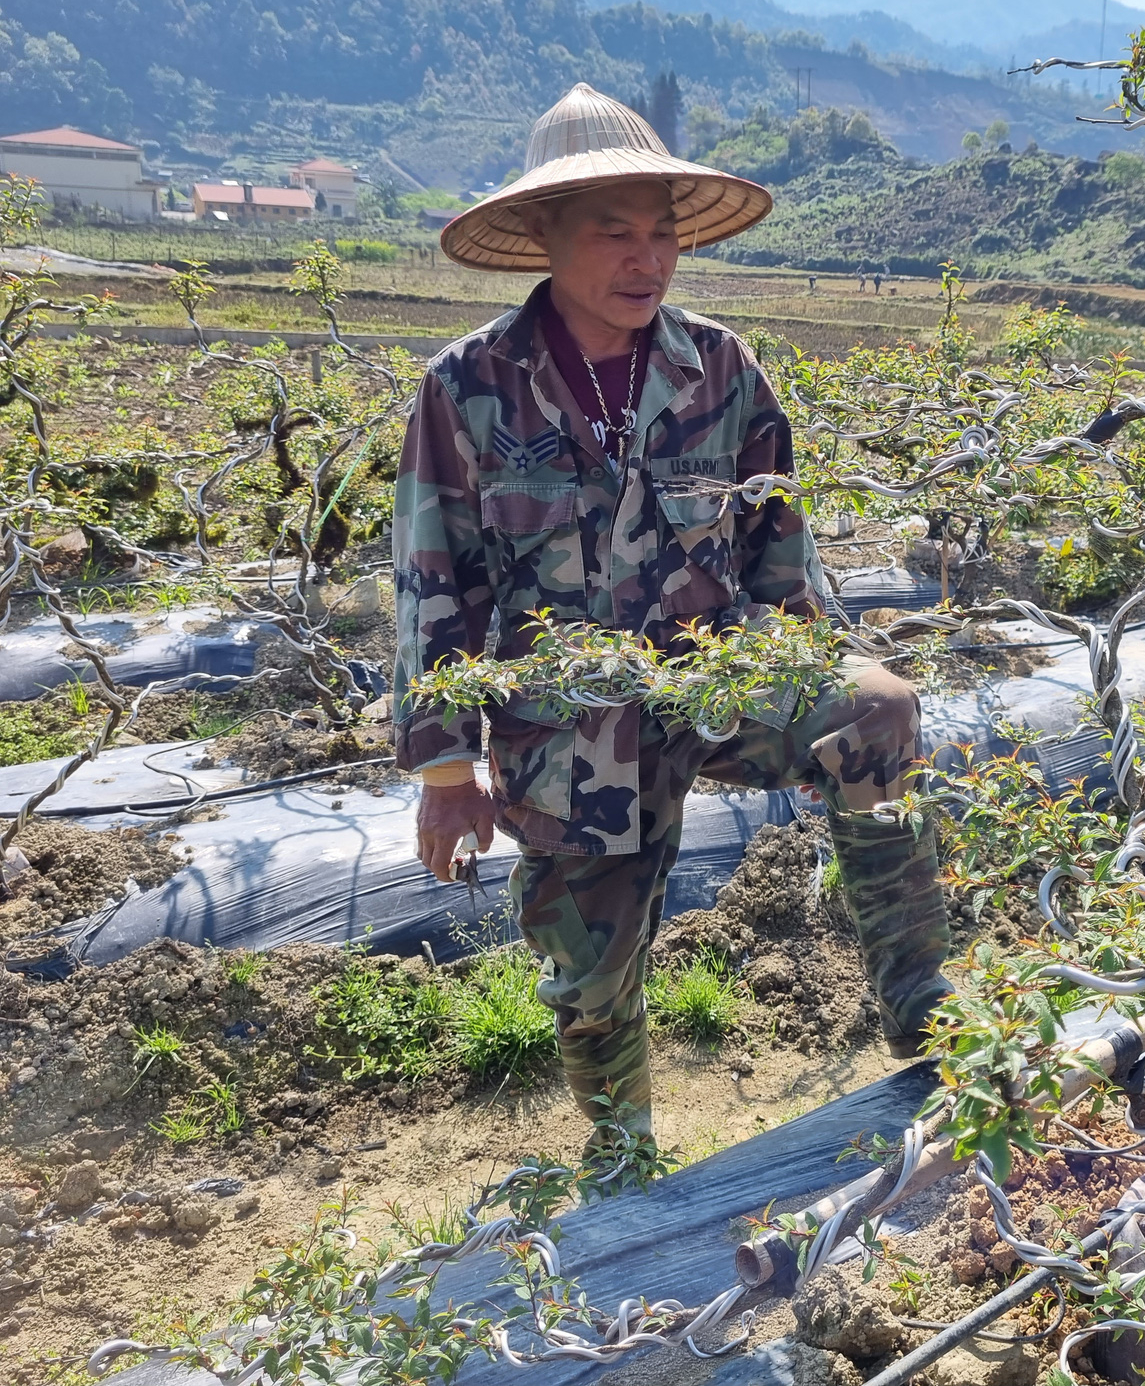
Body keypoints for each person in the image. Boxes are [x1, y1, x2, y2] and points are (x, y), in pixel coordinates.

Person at [393, 84, 950, 1150]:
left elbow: (779, 550)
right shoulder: (467, 388)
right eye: (613, 233)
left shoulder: (723, 369)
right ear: (545, 239)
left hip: (716, 675)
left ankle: (925, 1008)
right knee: (590, 979)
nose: (645, 259)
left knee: (878, 707)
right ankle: (623, 1155)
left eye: (662, 234)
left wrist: (811, 677)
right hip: (572, 721)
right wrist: (444, 769)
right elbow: (432, 575)